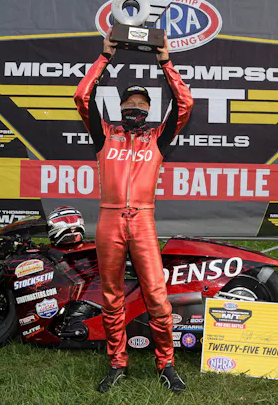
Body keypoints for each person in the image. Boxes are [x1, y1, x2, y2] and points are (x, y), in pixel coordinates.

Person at [73, 29, 193, 393]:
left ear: (149, 110)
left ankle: (166, 364)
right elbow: (81, 96)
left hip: (142, 220)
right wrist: (105, 56)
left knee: (157, 295)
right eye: (129, 103)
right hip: (109, 219)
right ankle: (117, 363)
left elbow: (185, 103)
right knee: (111, 296)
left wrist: (165, 61)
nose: (135, 107)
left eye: (141, 103)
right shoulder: (104, 134)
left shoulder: (157, 138)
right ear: (120, 107)